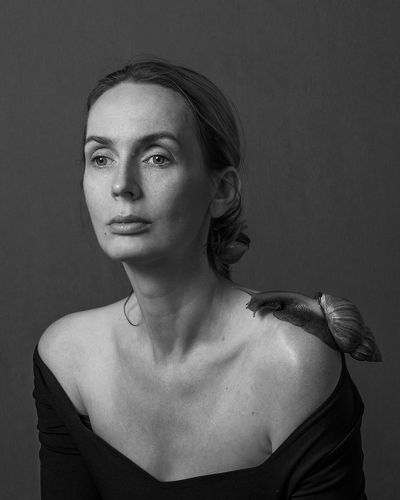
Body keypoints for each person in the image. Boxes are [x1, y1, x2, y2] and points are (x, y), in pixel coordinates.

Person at [32, 58, 381, 499]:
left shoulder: (292, 361)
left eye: (157, 157)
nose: (122, 185)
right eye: (101, 158)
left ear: (222, 191)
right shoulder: (67, 359)